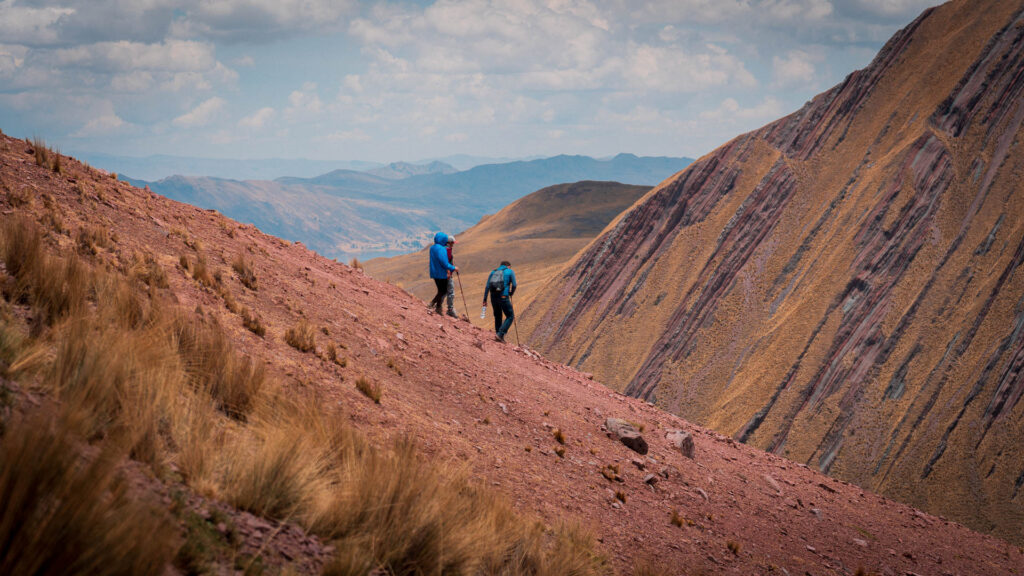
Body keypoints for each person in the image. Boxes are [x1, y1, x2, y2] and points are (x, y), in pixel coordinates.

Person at [482, 260, 516, 342]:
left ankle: (498, 334)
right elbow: (514, 285)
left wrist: (485, 299)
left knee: (497, 315)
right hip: (503, 296)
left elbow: (487, 286)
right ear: (508, 266)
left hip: (493, 297)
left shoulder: (493, 272)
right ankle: (500, 334)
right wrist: (511, 293)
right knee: (510, 316)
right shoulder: (510, 271)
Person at [428, 232, 458, 314]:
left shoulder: (432, 248)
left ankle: (438, 308)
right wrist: (453, 268)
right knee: (443, 291)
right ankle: (432, 303)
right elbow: (444, 263)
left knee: (441, 290)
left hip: (434, 272)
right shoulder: (442, 249)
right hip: (441, 273)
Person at [445, 235, 458, 318]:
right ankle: (450, 310)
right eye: (452, 243)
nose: (453, 244)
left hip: (445, 273)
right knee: (451, 292)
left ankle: (436, 305)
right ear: (449, 242)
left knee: (443, 291)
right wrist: (449, 271)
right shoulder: (447, 250)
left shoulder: (444, 249)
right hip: (447, 274)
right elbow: (446, 262)